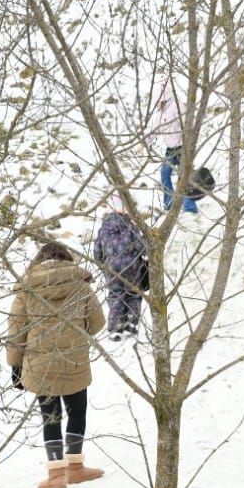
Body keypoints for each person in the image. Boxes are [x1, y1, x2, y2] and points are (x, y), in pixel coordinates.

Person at [8, 241, 107, 488]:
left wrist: (15, 365)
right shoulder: (81, 287)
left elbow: (16, 331)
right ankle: (75, 468)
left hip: (39, 365)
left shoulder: (27, 289)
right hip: (74, 360)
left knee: (50, 416)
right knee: (77, 412)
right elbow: (97, 322)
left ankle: (55, 474)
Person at [93, 200, 150, 342]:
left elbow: (97, 252)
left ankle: (114, 328)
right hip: (132, 266)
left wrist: (103, 265)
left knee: (116, 295)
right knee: (134, 294)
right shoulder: (131, 227)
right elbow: (142, 247)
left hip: (112, 268)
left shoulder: (103, 229)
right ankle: (131, 323)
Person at [154, 74, 198, 215]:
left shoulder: (177, 106)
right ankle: (169, 203)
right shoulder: (161, 111)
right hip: (170, 149)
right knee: (165, 172)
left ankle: (189, 207)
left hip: (182, 147)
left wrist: (187, 143)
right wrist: (145, 142)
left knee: (184, 176)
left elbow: (187, 125)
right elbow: (154, 127)